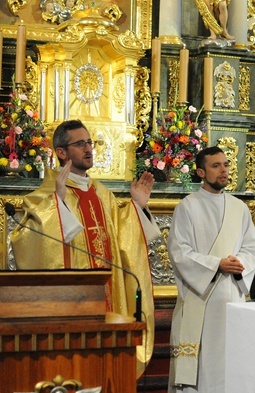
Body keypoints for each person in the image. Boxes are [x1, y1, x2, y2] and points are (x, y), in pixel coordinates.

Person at [10, 119, 160, 377]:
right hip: (73, 304)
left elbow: (122, 238)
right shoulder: (45, 196)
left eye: (90, 142)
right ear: (61, 152)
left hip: (109, 295)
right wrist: (57, 201)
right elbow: (32, 245)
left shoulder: (102, 193)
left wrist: (137, 206)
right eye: (80, 144)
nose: (89, 149)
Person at [166, 146, 255, 393]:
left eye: (225, 165)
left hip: (230, 296)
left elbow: (253, 248)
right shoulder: (188, 207)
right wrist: (215, 264)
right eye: (216, 166)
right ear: (200, 172)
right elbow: (179, 251)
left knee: (226, 360)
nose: (223, 170)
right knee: (203, 359)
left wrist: (239, 264)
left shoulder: (238, 208)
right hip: (200, 297)